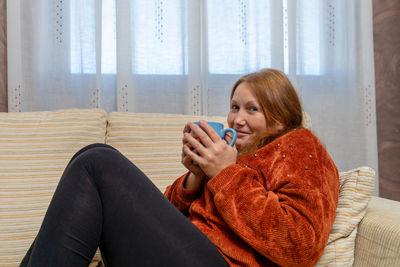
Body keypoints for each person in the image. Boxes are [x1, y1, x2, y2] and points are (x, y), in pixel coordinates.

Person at [21, 69, 339, 267]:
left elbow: (300, 245)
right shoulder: (235, 154)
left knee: (97, 162)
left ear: (281, 117)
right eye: (234, 107)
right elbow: (165, 217)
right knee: (90, 156)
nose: (237, 119)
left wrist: (225, 174)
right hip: (191, 253)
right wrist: (195, 177)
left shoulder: (300, 145)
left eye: (252, 109)